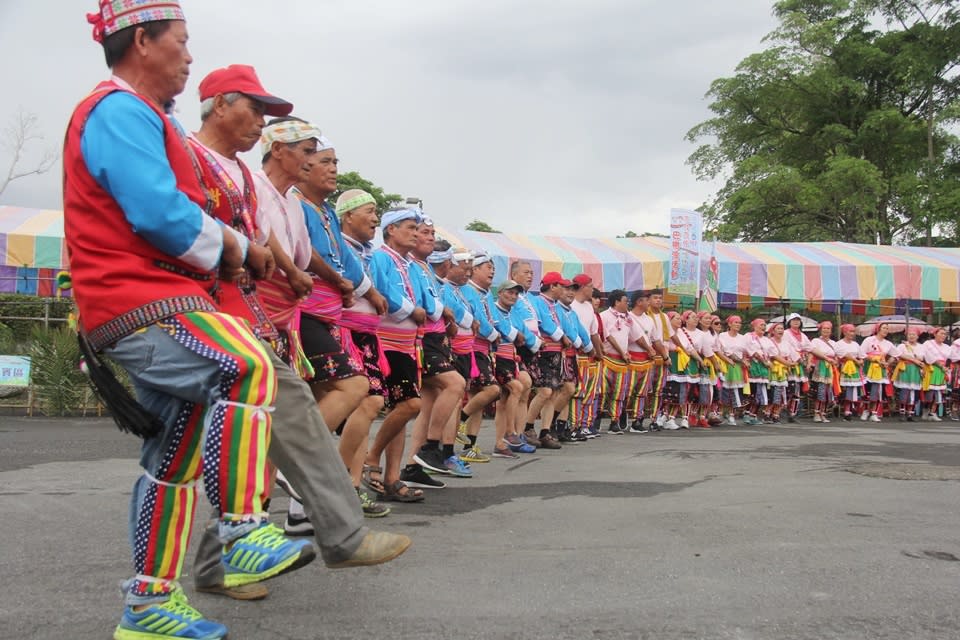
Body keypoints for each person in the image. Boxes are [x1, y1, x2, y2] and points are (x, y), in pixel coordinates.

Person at [66, 7, 402, 638]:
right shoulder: (118, 109)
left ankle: (149, 604)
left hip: (163, 300)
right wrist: (242, 247)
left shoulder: (148, 121)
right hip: (146, 299)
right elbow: (160, 215)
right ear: (143, 40)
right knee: (247, 370)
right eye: (182, 43)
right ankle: (243, 528)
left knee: (171, 461)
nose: (188, 58)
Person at [187, 66, 405, 597]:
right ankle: (246, 555)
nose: (314, 159)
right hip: (229, 315)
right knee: (237, 445)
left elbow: (265, 243)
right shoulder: (205, 162)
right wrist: (278, 266)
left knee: (259, 438)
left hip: (267, 320)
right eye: (307, 149)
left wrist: (278, 264)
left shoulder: (254, 183)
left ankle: (237, 561)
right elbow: (242, 240)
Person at [364, 208, 427, 502]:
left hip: (407, 343)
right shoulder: (381, 257)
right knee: (410, 405)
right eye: (410, 227)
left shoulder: (408, 264)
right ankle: (372, 457)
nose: (416, 233)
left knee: (402, 410)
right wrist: (412, 311)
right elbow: (382, 291)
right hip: (387, 342)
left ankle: (392, 478)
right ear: (391, 230)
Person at [406, 220, 471, 477]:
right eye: (425, 233)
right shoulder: (412, 266)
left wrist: (446, 318)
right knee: (455, 384)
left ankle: (414, 466)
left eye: (433, 234)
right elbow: (424, 304)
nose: (430, 237)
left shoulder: (424, 271)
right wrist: (443, 312)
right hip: (423, 340)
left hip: (437, 340)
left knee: (428, 404)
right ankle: (432, 448)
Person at [458, 252, 506, 450]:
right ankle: (460, 420)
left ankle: (470, 446)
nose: (492, 271)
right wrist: (494, 334)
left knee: (477, 396)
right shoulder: (469, 291)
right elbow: (480, 320)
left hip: (484, 349)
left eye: (493, 268)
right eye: (488, 267)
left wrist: (498, 333)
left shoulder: (485, 294)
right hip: (474, 347)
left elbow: (495, 320)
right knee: (492, 390)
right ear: (474, 269)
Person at [489, 280, 532, 457]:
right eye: (509, 292)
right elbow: (498, 326)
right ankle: (510, 432)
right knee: (516, 388)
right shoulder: (492, 308)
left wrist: (536, 343)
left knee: (520, 388)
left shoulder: (514, 313)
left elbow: (525, 333)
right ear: (499, 293)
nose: (513, 296)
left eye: (515, 294)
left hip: (511, 356)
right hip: (497, 355)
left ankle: (505, 441)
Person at [569, 274, 605, 437]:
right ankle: (573, 425)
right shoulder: (571, 305)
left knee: (590, 392)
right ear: (583, 287)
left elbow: (594, 333)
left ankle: (585, 424)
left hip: (590, 355)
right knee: (578, 392)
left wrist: (599, 353)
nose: (592, 290)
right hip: (577, 354)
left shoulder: (589, 307)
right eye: (590, 286)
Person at [599, 290, 637, 434]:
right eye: (625, 301)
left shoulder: (628, 318)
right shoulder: (604, 316)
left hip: (622, 361)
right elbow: (607, 337)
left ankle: (614, 422)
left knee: (619, 392)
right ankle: (594, 420)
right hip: (606, 358)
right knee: (601, 391)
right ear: (616, 302)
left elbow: (637, 336)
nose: (628, 303)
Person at [859, 323, 895, 422]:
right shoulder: (869, 340)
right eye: (884, 328)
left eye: (887, 328)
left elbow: (895, 355)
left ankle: (874, 413)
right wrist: (873, 359)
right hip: (869, 367)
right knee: (867, 390)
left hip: (881, 369)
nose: (886, 330)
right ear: (878, 329)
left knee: (878, 391)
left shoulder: (888, 343)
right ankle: (865, 410)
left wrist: (887, 363)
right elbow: (862, 353)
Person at [717, 316, 748, 425]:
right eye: (735, 322)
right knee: (723, 391)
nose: (738, 324)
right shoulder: (722, 336)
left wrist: (745, 361)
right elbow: (725, 351)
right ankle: (720, 413)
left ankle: (731, 415)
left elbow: (745, 352)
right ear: (729, 324)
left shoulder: (742, 337)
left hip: (737, 366)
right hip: (725, 364)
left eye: (740, 322)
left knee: (734, 391)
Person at [809, 321, 839, 423]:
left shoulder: (834, 343)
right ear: (820, 330)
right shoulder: (815, 341)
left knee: (828, 392)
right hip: (820, 366)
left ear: (831, 331)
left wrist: (835, 362)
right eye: (824, 328)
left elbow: (837, 356)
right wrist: (809, 363)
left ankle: (824, 413)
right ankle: (817, 413)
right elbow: (811, 352)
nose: (826, 330)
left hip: (830, 368)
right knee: (820, 390)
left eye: (828, 328)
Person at [892, 327, 924, 421]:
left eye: (914, 334)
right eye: (910, 334)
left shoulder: (920, 346)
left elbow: (921, 358)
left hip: (915, 370)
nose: (911, 336)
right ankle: (902, 413)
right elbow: (899, 355)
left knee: (914, 392)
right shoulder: (902, 346)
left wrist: (911, 352)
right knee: (904, 391)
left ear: (917, 336)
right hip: (905, 369)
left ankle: (910, 414)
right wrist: (913, 359)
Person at [835, 324, 865, 420]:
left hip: (854, 369)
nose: (852, 333)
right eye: (850, 331)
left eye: (853, 331)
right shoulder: (839, 344)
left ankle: (849, 411)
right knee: (846, 389)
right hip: (844, 369)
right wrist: (856, 361)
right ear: (844, 332)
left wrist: (860, 361)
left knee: (853, 389)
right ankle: (844, 410)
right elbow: (846, 355)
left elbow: (861, 356)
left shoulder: (855, 344)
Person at [922, 327, 950, 421]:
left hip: (942, 371)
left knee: (939, 394)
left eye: (945, 334)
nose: (943, 336)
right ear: (935, 334)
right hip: (931, 369)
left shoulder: (947, 347)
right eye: (941, 333)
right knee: (930, 394)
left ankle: (933, 413)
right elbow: (928, 357)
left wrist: (946, 368)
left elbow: (950, 359)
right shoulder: (928, 344)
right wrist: (939, 365)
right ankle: (926, 410)